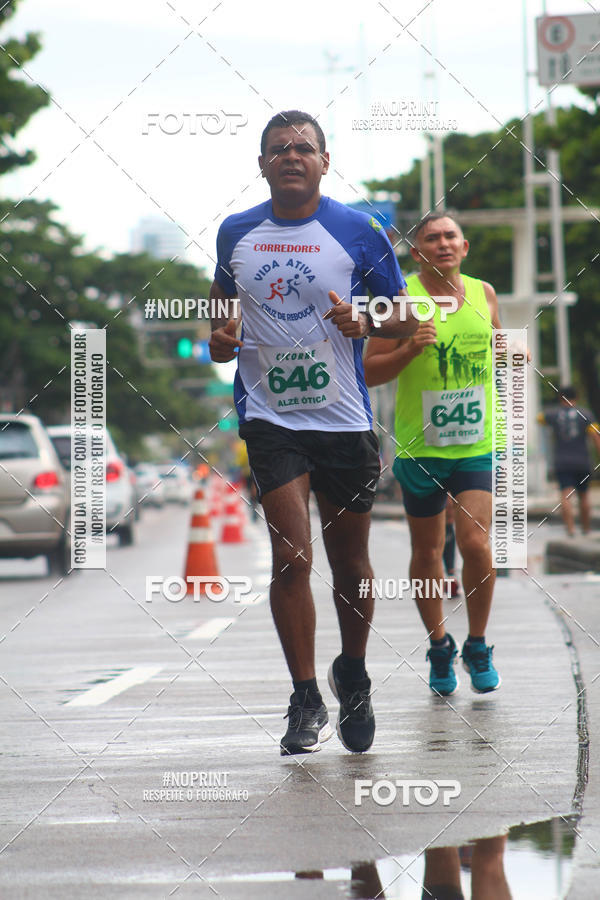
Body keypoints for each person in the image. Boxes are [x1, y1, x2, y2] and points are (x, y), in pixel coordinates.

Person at [208, 110, 417, 754]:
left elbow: (406, 317)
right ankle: (304, 695)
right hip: (271, 420)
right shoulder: (236, 232)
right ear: (262, 165)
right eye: (279, 149)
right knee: (291, 556)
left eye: (304, 148)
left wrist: (367, 319)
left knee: (350, 563)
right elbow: (219, 318)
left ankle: (352, 672)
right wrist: (218, 338)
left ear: (325, 162)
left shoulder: (359, 230)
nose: (291, 156)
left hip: (344, 419)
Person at [364, 212, 503, 696]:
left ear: (464, 247)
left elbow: (498, 345)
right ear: (416, 252)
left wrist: (512, 354)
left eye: (450, 236)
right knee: (427, 552)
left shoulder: (484, 293)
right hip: (421, 447)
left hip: (477, 444)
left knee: (475, 544)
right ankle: (439, 645)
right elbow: (369, 372)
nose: (442, 244)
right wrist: (408, 351)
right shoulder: (399, 299)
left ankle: (478, 644)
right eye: (431, 238)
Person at [538, 386, 600, 536]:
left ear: (560, 397)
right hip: (582, 461)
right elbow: (595, 437)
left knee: (566, 495)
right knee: (584, 496)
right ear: (577, 397)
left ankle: (570, 529)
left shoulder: (552, 414)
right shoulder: (586, 414)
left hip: (562, 462)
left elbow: (539, 419)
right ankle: (586, 529)